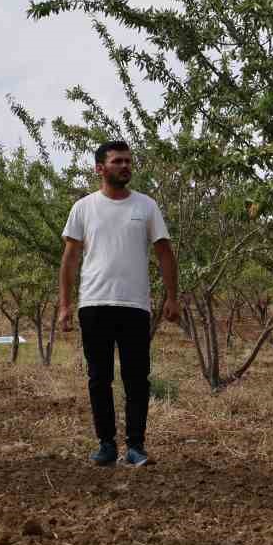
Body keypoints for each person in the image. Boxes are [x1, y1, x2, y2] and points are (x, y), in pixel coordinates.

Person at [58, 141, 179, 466]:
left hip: (136, 304)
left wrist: (172, 296)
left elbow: (164, 252)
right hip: (95, 303)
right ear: (100, 168)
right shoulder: (84, 207)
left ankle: (136, 446)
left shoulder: (146, 206)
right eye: (117, 161)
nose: (125, 166)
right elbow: (70, 259)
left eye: (128, 161)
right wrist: (65, 304)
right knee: (99, 377)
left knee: (137, 378)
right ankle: (106, 445)